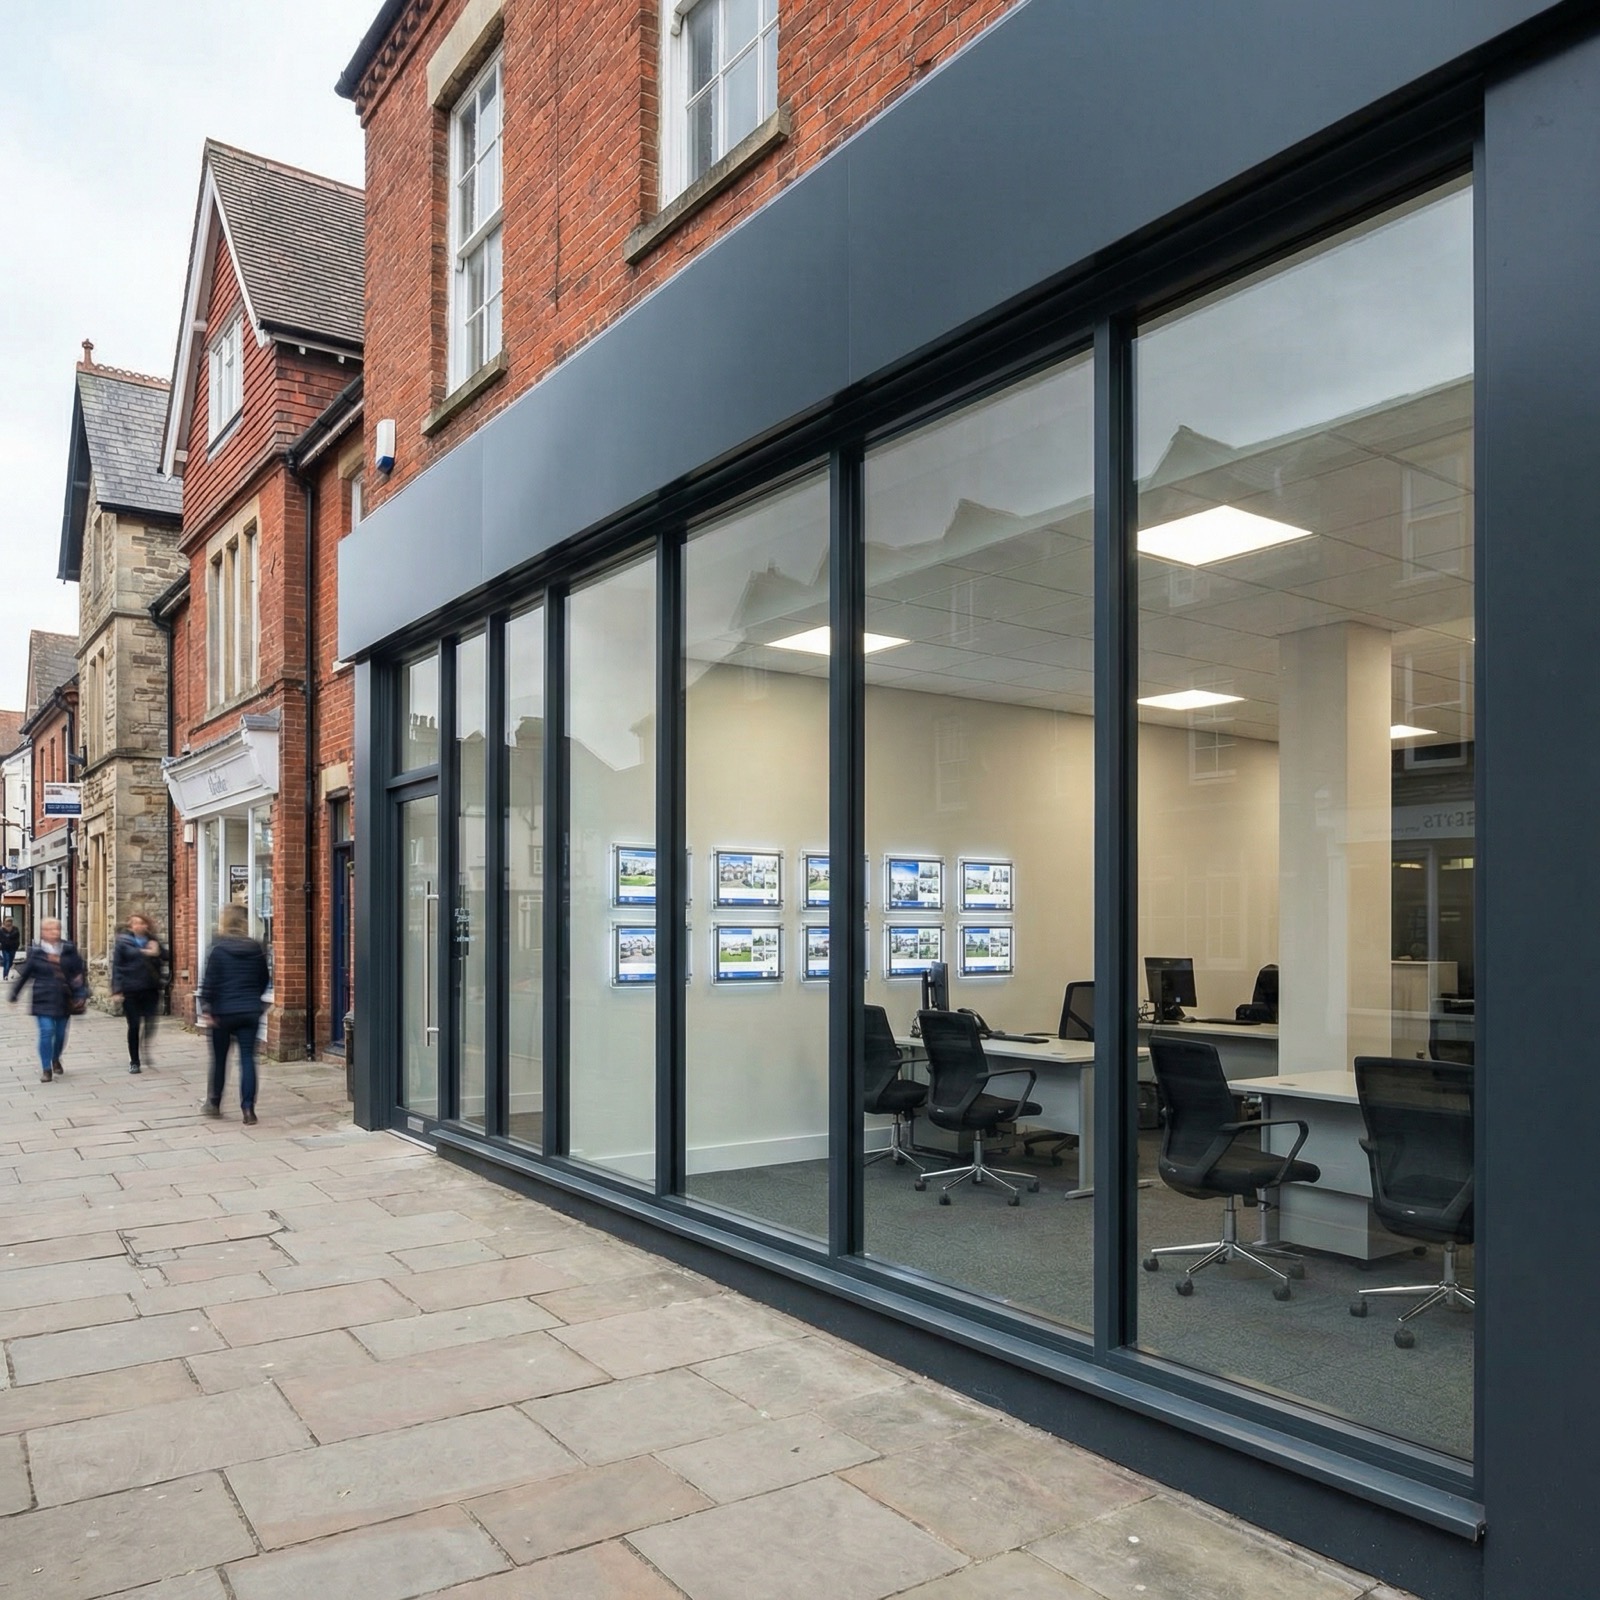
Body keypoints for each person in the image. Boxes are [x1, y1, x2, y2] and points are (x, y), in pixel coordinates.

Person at [198, 904, 270, 1123]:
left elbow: (209, 983)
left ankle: (214, 1103)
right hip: (249, 1011)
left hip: (222, 1013)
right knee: (248, 1059)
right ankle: (248, 1110)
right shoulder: (256, 948)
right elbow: (264, 980)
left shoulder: (217, 948)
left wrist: (207, 1008)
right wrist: (253, 1000)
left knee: (219, 1060)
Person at [7, 917, 88, 1083]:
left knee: (59, 1034)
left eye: (56, 929)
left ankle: (55, 1057)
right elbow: (26, 975)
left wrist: (81, 994)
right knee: (46, 1031)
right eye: (49, 929)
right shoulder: (36, 952)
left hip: (64, 998)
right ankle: (46, 1068)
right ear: (43, 932)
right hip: (43, 997)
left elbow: (78, 974)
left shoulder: (69, 949)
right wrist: (14, 994)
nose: (54, 932)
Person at [110, 912, 167, 1075]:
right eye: (135, 923)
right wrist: (116, 989)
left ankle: (146, 1046)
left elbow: (167, 957)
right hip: (130, 989)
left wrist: (158, 952)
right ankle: (134, 1061)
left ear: (146, 925)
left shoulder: (153, 940)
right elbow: (117, 967)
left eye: (141, 923)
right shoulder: (123, 943)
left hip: (150, 988)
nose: (138, 926)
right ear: (130, 926)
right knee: (134, 1025)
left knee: (150, 1023)